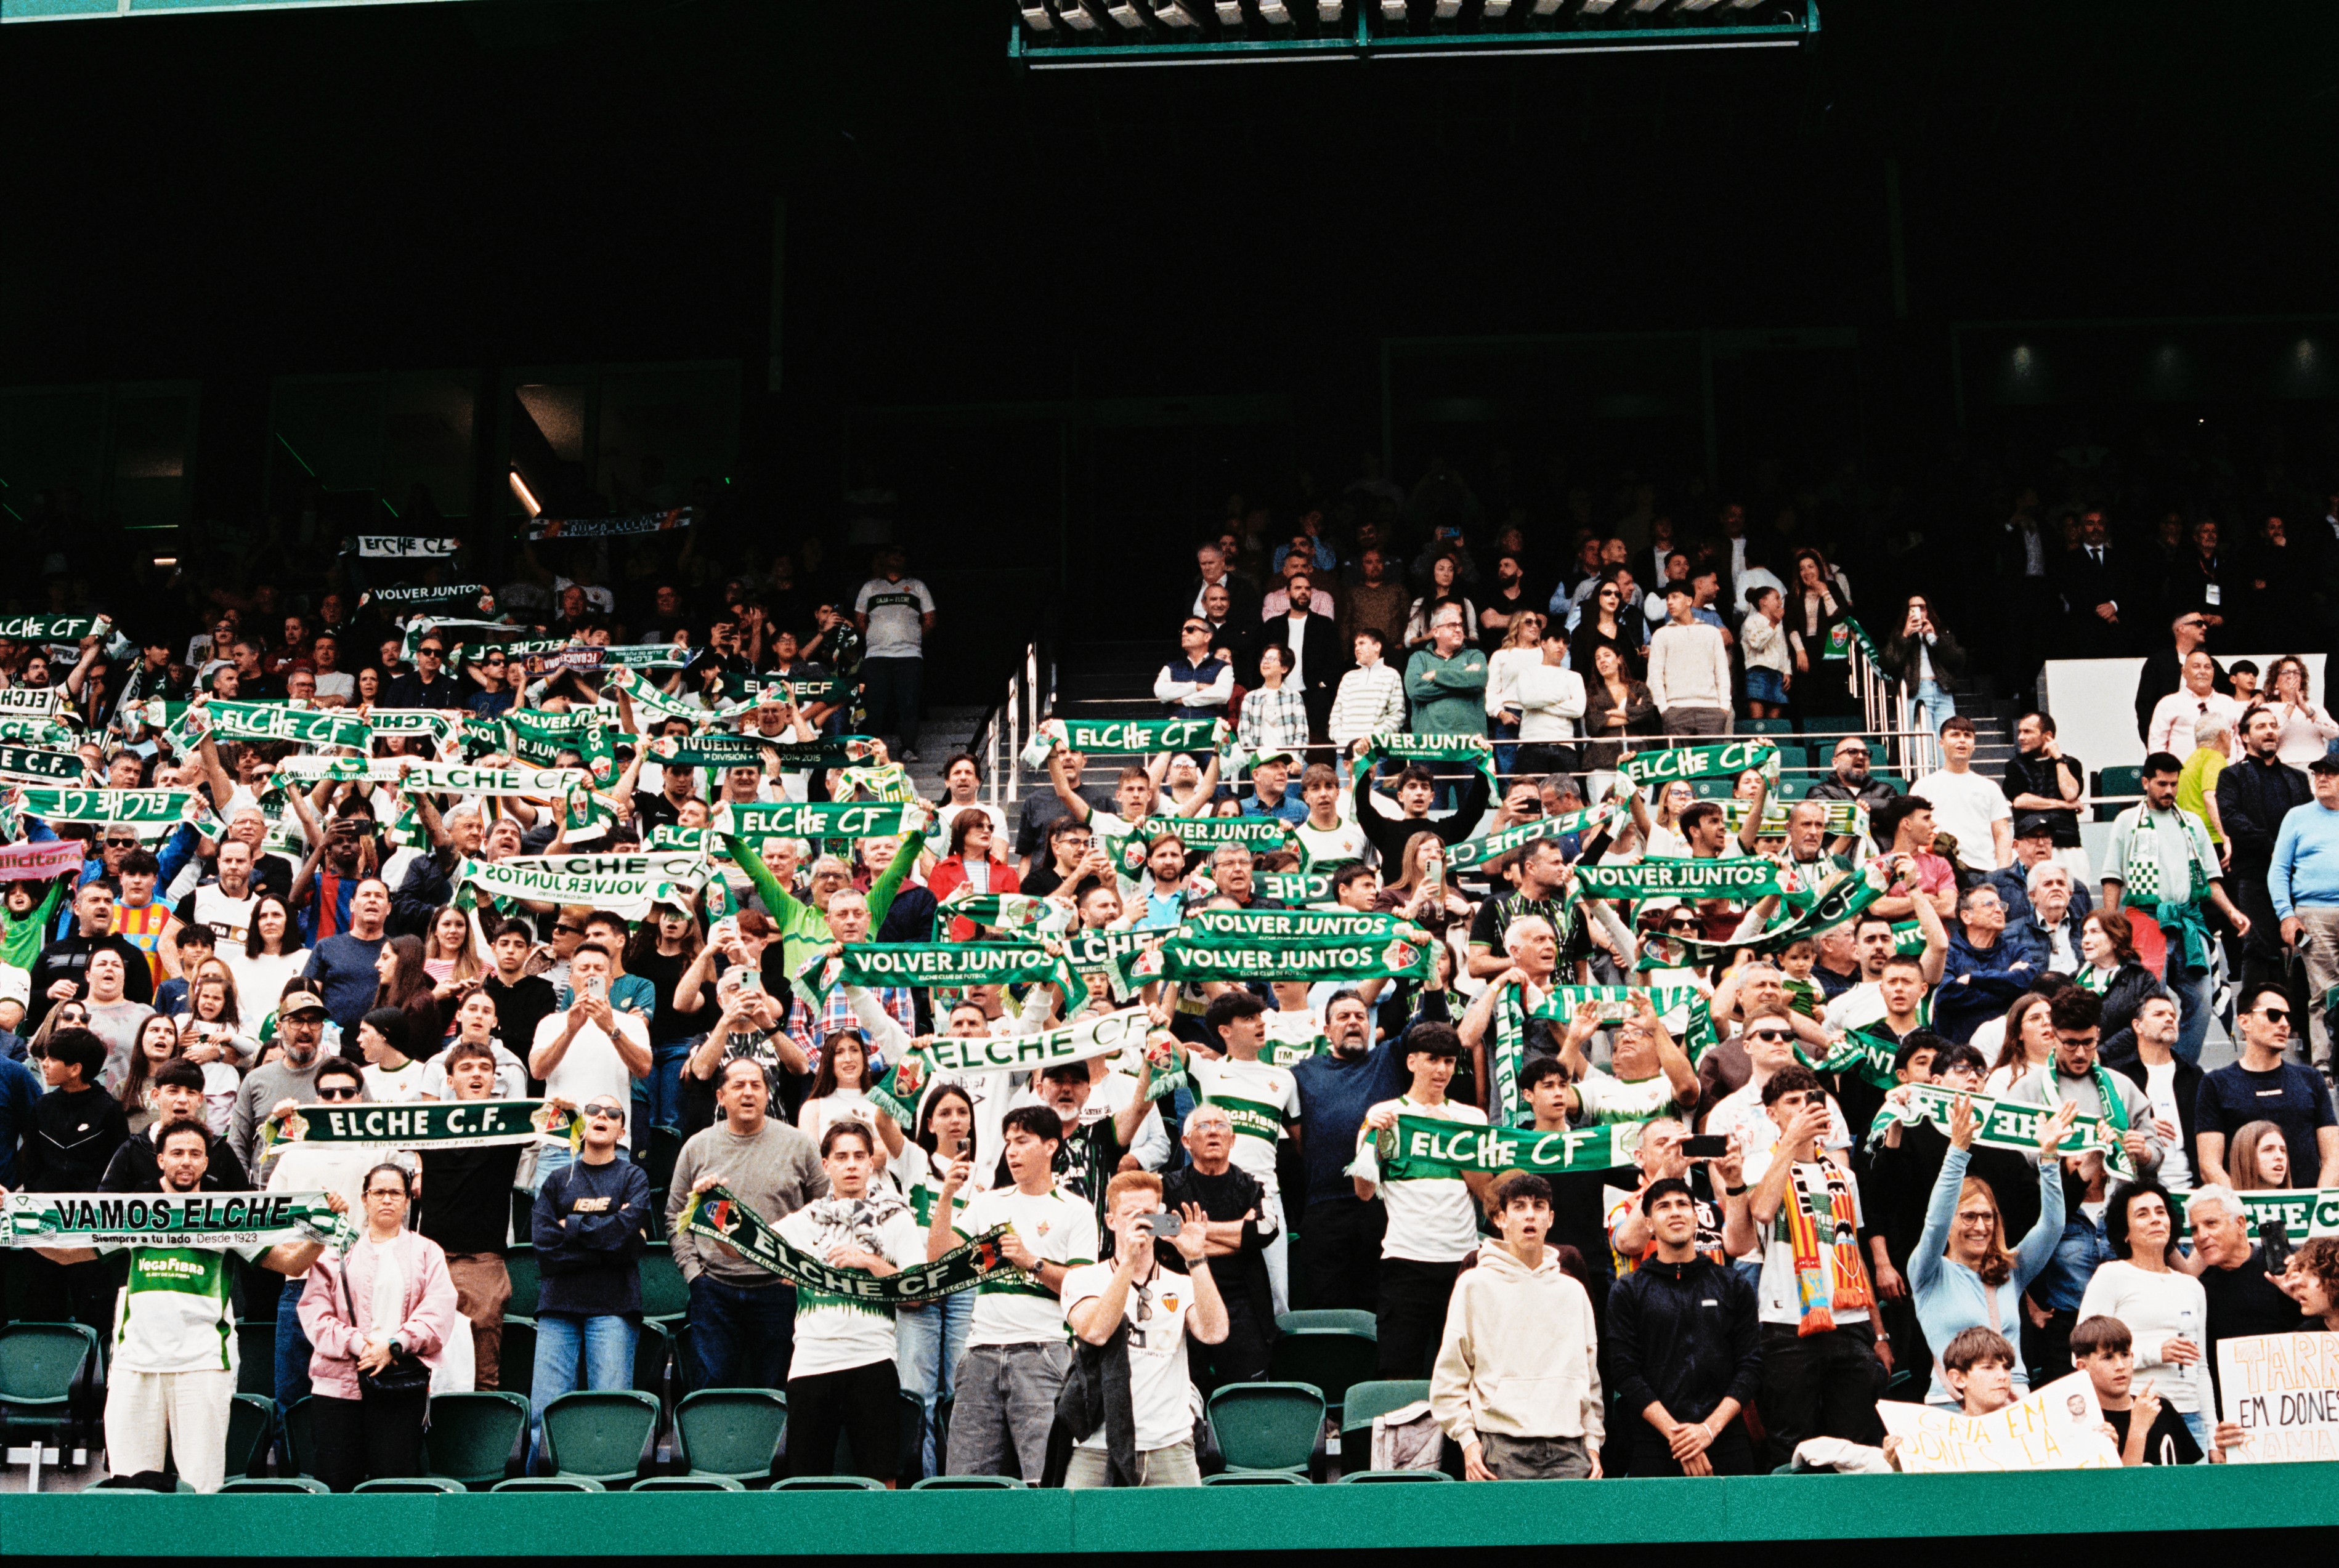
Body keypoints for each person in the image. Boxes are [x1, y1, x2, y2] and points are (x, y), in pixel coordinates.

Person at [35, 1119, 339, 1492]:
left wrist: (323, 1230)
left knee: (201, 1487)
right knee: (130, 1488)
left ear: (207, 1163)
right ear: (160, 1160)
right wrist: (13, 1222)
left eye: (196, 1154)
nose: (186, 1161)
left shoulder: (229, 1217)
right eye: (177, 1153)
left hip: (203, 1363)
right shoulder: (133, 1214)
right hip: (135, 1363)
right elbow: (66, 1254)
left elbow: (292, 1264)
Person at [1724, 1064, 1887, 1465]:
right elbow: (1763, 1212)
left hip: (1850, 1322)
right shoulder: (1756, 1166)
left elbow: (1853, 1252)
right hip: (1787, 1323)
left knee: (1854, 1445)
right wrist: (1790, 1143)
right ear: (1771, 1114)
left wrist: (1879, 1333)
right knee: (1790, 1441)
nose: (1803, 1108)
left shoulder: (1844, 1176)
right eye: (1792, 1102)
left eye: (1811, 1100)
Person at [934, 1103, 1095, 1479]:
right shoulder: (988, 1202)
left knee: (1043, 1478)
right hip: (980, 1353)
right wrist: (947, 1196)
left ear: (1051, 1146)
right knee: (966, 1483)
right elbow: (938, 1260)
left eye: (1022, 1141)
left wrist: (1031, 1261)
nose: (1012, 1151)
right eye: (1008, 1143)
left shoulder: (1076, 1210)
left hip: (1043, 1351)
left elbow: (1081, 1288)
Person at [1428, 1171, 1603, 1481]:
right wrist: (1469, 1444)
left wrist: (1593, 1445)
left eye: (1539, 1206)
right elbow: (1449, 1377)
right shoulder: (1473, 1285)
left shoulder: (1572, 1291)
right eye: (1519, 1206)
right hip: (1500, 1448)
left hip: (1570, 1450)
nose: (1530, 1215)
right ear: (1500, 1218)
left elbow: (1590, 1378)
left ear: (1551, 1219)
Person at [299, 1161, 463, 1492]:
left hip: (399, 1383)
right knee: (337, 1485)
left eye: (395, 1193)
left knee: (393, 1487)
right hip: (337, 1388)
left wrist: (394, 1345)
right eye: (379, 1192)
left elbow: (438, 1310)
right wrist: (358, 1345)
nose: (387, 1199)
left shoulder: (427, 1252)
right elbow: (314, 1313)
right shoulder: (336, 1252)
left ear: (407, 1201)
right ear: (365, 1199)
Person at [776, 1120, 924, 1484]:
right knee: (805, 1485)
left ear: (872, 1163)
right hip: (811, 1363)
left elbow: (921, 1295)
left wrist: (870, 1262)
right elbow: (741, 1250)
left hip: (872, 1359)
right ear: (826, 1165)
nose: (852, 1164)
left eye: (859, 1156)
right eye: (841, 1157)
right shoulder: (805, 1220)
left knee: (882, 1480)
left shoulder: (897, 1217)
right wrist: (712, 1203)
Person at [669, 1057, 829, 1392]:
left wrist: (800, 1269)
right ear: (720, 1096)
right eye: (738, 1085)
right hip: (714, 1290)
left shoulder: (799, 1144)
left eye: (757, 1085)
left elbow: (827, 1210)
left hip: (780, 1290)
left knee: (776, 1391)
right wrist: (694, 1274)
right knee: (712, 1392)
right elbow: (675, 1216)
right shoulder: (697, 1147)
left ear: (768, 1094)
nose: (748, 1093)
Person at [1060, 1171, 1226, 1489]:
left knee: (1185, 1525)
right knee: (1080, 1522)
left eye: (1149, 1214)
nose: (1141, 1222)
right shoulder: (1082, 1279)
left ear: (1161, 1218)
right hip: (1097, 1444)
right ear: (1111, 1221)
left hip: (1170, 1444)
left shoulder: (1181, 1284)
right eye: (1130, 1215)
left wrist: (1196, 1258)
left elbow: (1214, 1333)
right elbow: (1097, 1332)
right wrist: (1128, 1262)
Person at [1908, 1093, 2073, 1405]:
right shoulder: (1928, 1271)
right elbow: (1935, 1222)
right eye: (1969, 1216)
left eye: (1988, 1216)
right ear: (1951, 1222)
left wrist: (2049, 1159)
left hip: (2013, 1399)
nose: (1981, 1227)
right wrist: (1957, 1151)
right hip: (1953, 1404)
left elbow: (2052, 1226)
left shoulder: (2010, 1270)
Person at [1352, 1023, 1490, 1377]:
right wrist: (1371, 1138)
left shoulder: (1471, 1118)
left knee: (1466, 1371)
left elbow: (1486, 1193)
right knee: (1397, 1370)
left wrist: (1452, 1139)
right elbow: (1363, 1192)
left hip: (1462, 1262)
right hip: (1405, 1262)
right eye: (1433, 1060)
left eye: (1449, 1061)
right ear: (1412, 1062)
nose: (1442, 1070)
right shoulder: (1385, 1115)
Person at [1605, 1175, 1762, 1476]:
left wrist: (1708, 1430)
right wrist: (1679, 1437)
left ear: (1696, 1216)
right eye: (1663, 1206)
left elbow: (1751, 1366)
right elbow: (1625, 1372)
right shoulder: (1628, 1291)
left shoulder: (1732, 1284)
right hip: (1654, 1445)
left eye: (1682, 1204)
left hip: (1726, 1441)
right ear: (1649, 1223)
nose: (1675, 1212)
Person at [2102, 751, 2249, 1064]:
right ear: (2145, 783)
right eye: (2162, 784)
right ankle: (2146, 1067)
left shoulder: (2192, 823)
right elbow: (2113, 877)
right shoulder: (2127, 821)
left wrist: (2231, 912)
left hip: (2187, 922)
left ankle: (2183, 1070)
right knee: (2149, 1003)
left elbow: (2211, 879)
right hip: (2145, 921)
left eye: (2174, 784)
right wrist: (2110, 927)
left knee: (2203, 1000)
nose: (2169, 791)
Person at [418, 1037, 525, 1391]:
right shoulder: (429, 1126)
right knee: (424, 1368)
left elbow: (559, 1124)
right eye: (466, 1068)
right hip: (432, 1261)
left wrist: (564, 1109)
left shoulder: (511, 1126)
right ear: (449, 1081)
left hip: (483, 1262)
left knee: (483, 1372)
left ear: (495, 1079)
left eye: (485, 1068)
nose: (476, 1074)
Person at [2075, 1179, 2211, 1448]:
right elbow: (2081, 1356)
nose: (2155, 1219)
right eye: (2142, 1214)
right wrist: (2155, 1353)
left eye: (2161, 1212)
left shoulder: (2192, 1286)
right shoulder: (2111, 1276)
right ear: (2125, 1232)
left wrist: (2212, 1434)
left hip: (2192, 1419)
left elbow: (2202, 1368)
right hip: (2135, 1413)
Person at [1159, 1102, 1276, 1397]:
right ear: (1186, 1142)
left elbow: (1265, 1229)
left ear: (1232, 1140)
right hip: (1183, 1304)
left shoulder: (1253, 1186)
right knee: (1187, 1397)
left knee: (1244, 1398)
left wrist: (1194, 1235)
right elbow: (1154, 1227)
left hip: (1243, 1304)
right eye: (1203, 1126)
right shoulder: (1167, 1185)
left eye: (1221, 1125)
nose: (1213, 1132)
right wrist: (1239, 1237)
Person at [2195, 984, 2339, 1190]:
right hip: (2246, 1205)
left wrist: (2315, 1203)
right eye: (2273, 1015)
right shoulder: (2215, 1083)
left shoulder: (2311, 1079)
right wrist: (2244, 1205)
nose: (2284, 1024)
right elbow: (2209, 1165)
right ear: (2244, 1022)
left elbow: (2334, 1158)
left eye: (2287, 1017)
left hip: (2305, 1204)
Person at [530, 942, 651, 1184]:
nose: (591, 974)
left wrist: (611, 1028)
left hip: (611, 1144)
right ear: (571, 978)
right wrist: (570, 1030)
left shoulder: (631, 1024)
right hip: (558, 1142)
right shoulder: (551, 1023)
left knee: (610, 1210)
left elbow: (643, 1068)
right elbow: (538, 1070)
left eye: (599, 968)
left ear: (611, 980)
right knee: (551, 1210)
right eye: (584, 968)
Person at [2178, 1184, 2303, 1412]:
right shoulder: (2199, 1288)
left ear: (2241, 1224)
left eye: (2211, 1223)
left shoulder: (2289, 1264)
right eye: (2194, 1229)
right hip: (2237, 1414)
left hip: (2299, 1403)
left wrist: (2299, 1295)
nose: (2201, 1236)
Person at [2271, 752, 2339, 1075]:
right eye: (2317, 773)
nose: (2322, 778)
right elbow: (2278, 870)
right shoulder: (2297, 817)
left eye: (2331, 773)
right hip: (2314, 914)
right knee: (2323, 992)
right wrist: (2286, 914)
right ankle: (2322, 1066)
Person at [2072, 1314, 2204, 1466]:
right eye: (2108, 1357)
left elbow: (2192, 1475)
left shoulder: (2160, 1408)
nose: (2120, 1365)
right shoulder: (2087, 1424)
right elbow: (2126, 1482)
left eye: (2125, 1355)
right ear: (2083, 1367)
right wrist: (2138, 1430)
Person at [2102, 993, 2199, 1192]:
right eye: (2159, 1014)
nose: (2169, 1019)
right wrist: (2144, 1126)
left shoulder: (2194, 1075)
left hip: (2193, 1188)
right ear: (2138, 1026)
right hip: (2139, 1188)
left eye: (2173, 1015)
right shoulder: (2118, 1075)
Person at [854, 545, 937, 761]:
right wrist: (877, 638)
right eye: (892, 554)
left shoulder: (917, 586)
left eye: (901, 554)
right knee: (874, 706)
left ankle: (908, 748)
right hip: (876, 656)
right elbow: (860, 620)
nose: (897, 558)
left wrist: (912, 638)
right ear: (885, 559)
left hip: (909, 656)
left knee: (909, 705)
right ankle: (871, 752)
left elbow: (930, 619)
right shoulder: (870, 587)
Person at [1911, 717, 2013, 875]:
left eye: (1968, 735)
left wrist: (2003, 874)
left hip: (1984, 871)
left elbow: (2002, 836)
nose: (1962, 740)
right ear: (1941, 743)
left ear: (1974, 745)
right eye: (1955, 735)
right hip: (1940, 872)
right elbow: (1914, 833)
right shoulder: (1923, 786)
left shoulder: (1990, 787)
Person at [2002, 713, 2088, 879]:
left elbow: (2070, 794)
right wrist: (2064, 805)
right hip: (2029, 844)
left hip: (2066, 844)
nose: (2020, 737)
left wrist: (2059, 759)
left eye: (2028, 732)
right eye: (2020, 732)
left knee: (2075, 892)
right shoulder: (2014, 766)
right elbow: (2021, 800)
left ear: (2048, 736)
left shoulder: (2071, 764)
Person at [1645, 583, 1731, 736]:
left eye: (1675, 597)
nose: (1669, 602)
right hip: (1675, 711)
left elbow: (1722, 673)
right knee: (1678, 754)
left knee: (1713, 753)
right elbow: (1655, 677)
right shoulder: (1660, 635)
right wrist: (1664, 710)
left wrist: (1724, 707)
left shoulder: (1712, 633)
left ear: (1689, 600)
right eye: (1668, 599)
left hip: (1711, 710)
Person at [1882, 595, 1963, 738]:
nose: (1918, 611)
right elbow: (1889, 664)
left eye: (1922, 607)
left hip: (1942, 691)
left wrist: (1935, 638)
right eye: (1913, 608)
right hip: (1916, 691)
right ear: (1907, 613)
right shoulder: (1899, 635)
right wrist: (1905, 635)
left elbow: (1957, 660)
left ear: (1928, 611)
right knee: (1923, 744)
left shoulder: (1941, 632)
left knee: (1947, 741)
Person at [2147, 650, 2244, 760]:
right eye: (2196, 667)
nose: (2202, 671)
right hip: (2184, 770)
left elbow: (2242, 743)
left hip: (2226, 770)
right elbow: (2156, 746)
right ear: (2184, 672)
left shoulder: (2228, 703)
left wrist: (2241, 768)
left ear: (2213, 672)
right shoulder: (2168, 703)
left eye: (2207, 667)